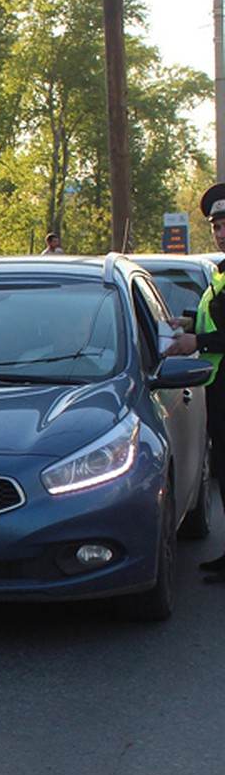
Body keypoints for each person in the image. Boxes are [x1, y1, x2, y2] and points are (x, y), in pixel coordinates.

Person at [164, 181, 225, 581]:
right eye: (217, 225)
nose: (220, 231)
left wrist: (196, 341)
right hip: (217, 388)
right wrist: (188, 323)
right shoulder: (221, 272)